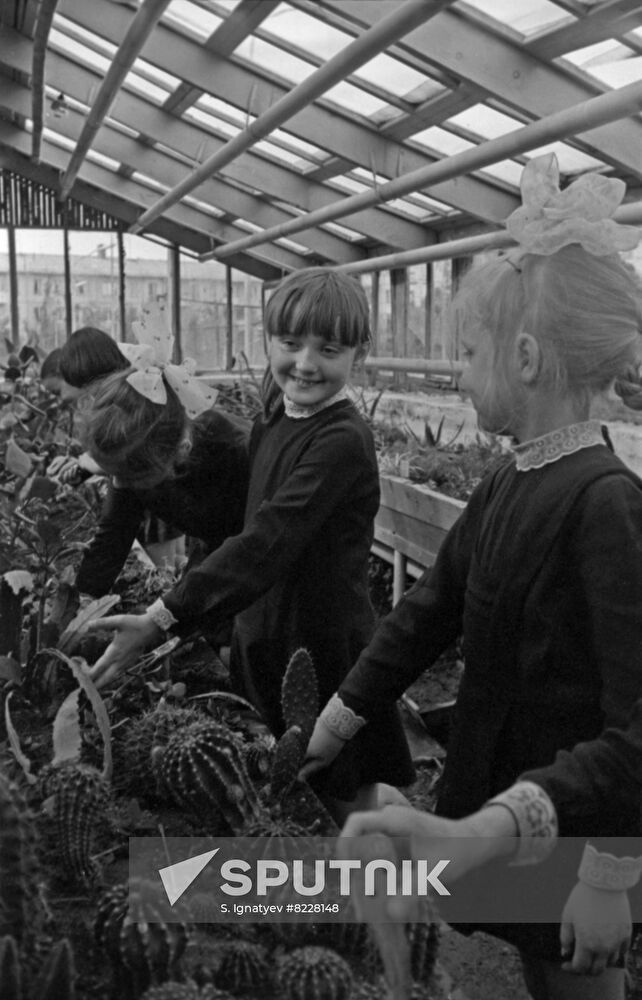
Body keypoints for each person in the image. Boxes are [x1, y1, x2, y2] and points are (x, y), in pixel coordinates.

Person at [301, 155, 642, 999]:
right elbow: (430, 608)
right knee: (537, 967)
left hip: (577, 832)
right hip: (513, 799)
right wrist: (338, 716)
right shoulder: (512, 477)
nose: (459, 372)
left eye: (468, 352)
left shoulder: (607, 506)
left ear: (524, 357)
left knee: (574, 982)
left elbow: (635, 732)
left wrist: (608, 880)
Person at [88, 268, 413, 813]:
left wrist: (162, 617)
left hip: (322, 642)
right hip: (265, 633)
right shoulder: (274, 422)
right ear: (268, 341)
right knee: (290, 784)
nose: (306, 363)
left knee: (338, 790)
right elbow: (241, 535)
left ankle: (368, 886)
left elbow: (266, 542)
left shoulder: (341, 441)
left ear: (360, 352)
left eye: (328, 349)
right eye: (290, 344)